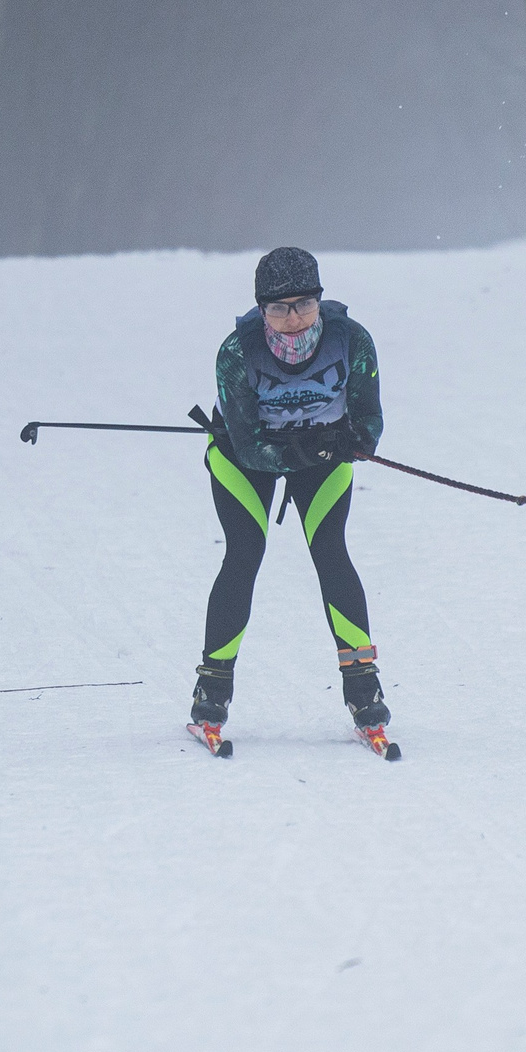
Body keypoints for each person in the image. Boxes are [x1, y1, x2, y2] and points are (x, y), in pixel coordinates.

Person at [190, 246, 388, 747]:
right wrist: (308, 447)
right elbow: (252, 448)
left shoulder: (353, 340)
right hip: (243, 459)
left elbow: (369, 421)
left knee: (331, 554)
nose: (292, 318)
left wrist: (352, 442)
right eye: (277, 308)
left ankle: (364, 690)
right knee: (243, 557)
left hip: (319, 458)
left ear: (320, 301)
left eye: (303, 304)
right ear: (261, 308)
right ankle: (212, 692)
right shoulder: (236, 351)